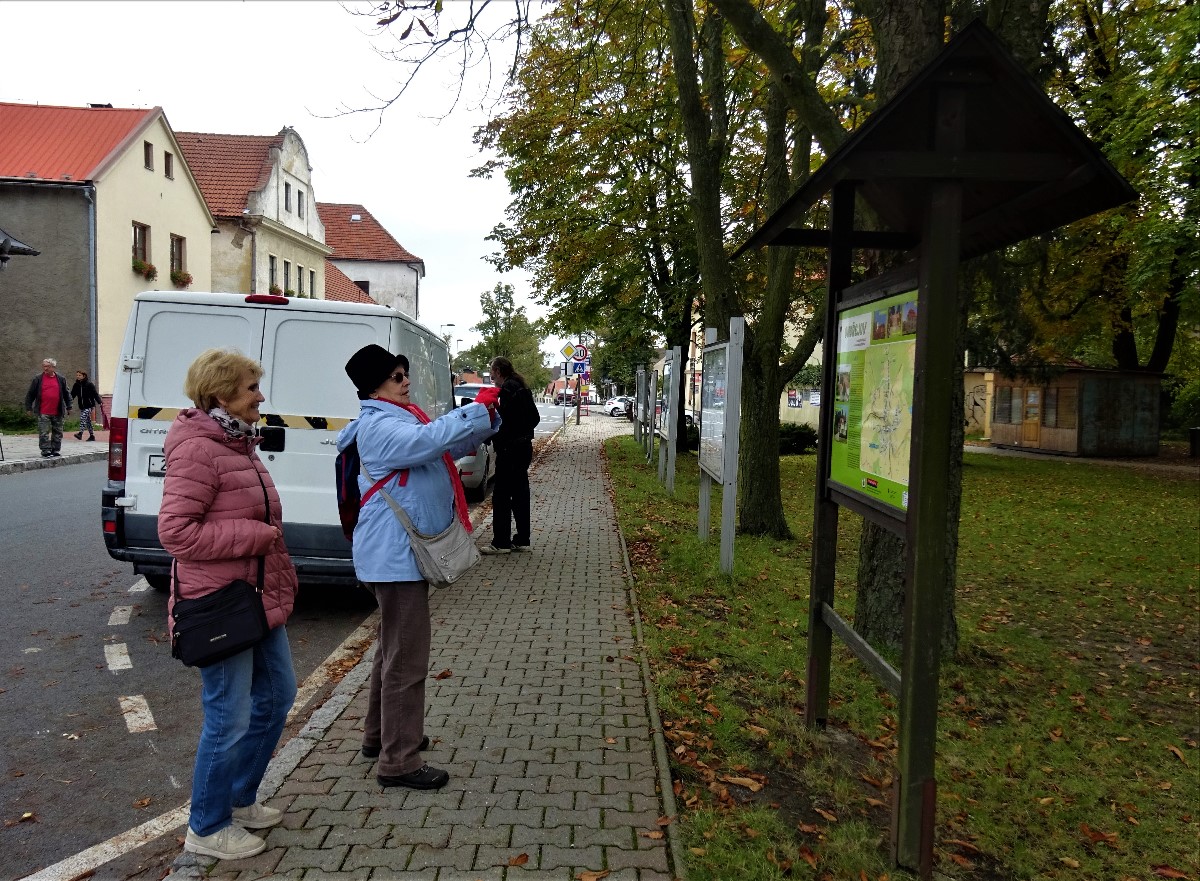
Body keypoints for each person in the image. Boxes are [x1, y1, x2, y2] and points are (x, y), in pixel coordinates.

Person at [157, 348, 298, 861]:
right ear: (221, 395)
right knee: (228, 716)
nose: (260, 396)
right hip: (221, 605)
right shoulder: (200, 449)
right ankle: (207, 825)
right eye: (251, 387)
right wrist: (254, 536)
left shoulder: (238, 442)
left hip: (256, 598)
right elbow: (176, 532)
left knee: (278, 695)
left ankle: (239, 799)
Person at [337, 344, 498, 791]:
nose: (405, 380)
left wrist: (487, 417)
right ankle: (399, 760)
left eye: (404, 372)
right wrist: (475, 411)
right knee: (406, 661)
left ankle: (380, 737)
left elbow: (442, 444)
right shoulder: (381, 426)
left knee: (392, 652)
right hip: (395, 560)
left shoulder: (400, 419)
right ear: (374, 387)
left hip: (395, 556)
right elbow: (428, 442)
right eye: (396, 376)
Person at [481, 356, 539, 554]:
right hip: (524, 448)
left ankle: (501, 542)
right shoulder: (522, 387)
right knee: (521, 494)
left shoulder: (507, 390)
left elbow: (503, 422)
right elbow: (535, 418)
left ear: (498, 371)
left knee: (502, 496)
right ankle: (522, 539)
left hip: (509, 450)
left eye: (492, 372)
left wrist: (495, 436)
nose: (492, 377)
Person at [24, 358, 72, 458]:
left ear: (53, 367)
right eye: (44, 366)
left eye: (47, 366)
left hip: (57, 411)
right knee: (43, 432)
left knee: (58, 432)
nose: (45, 368)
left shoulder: (61, 379)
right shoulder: (38, 379)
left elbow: (66, 393)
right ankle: (45, 450)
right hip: (43, 411)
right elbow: (30, 394)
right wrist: (28, 407)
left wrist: (69, 406)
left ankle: (55, 449)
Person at [71, 370, 101, 441]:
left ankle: (80, 434)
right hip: (82, 406)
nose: (78, 376)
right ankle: (92, 436)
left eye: (79, 375)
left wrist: (100, 402)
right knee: (88, 421)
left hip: (89, 405)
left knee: (83, 418)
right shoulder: (76, 385)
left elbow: (95, 394)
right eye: (77, 375)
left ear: (84, 376)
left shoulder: (89, 384)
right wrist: (68, 401)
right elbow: (72, 394)